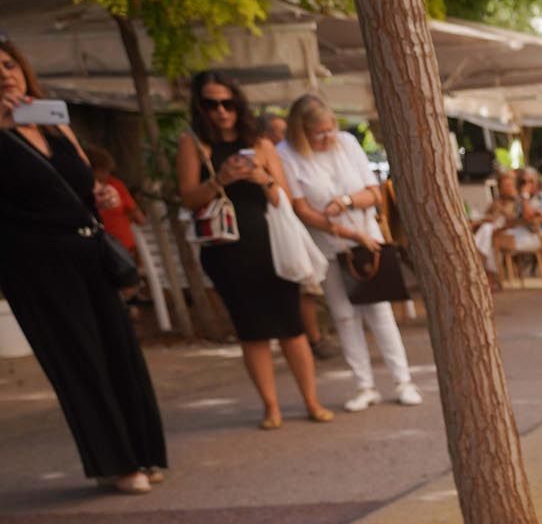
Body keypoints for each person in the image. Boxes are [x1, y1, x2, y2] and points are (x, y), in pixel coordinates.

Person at [0, 36, 167, 493]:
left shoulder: (51, 119)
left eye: (9, 64)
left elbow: (81, 181)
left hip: (87, 250)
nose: (4, 74)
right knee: (80, 358)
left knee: (120, 350)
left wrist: (102, 196)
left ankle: (145, 451)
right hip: (36, 265)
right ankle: (117, 463)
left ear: (23, 68)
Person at [177, 70, 329, 429]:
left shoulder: (260, 143)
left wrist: (263, 179)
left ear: (238, 103)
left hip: (271, 243)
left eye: (228, 103)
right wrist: (220, 179)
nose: (221, 111)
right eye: (211, 104)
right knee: (252, 331)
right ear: (200, 107)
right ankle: (271, 407)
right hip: (226, 248)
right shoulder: (194, 143)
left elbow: (284, 197)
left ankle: (311, 401)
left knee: (292, 326)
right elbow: (187, 198)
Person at [277, 95, 420, 412]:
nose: (328, 137)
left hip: (365, 241)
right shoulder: (287, 155)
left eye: (330, 129)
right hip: (327, 245)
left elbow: (373, 193)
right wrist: (342, 230)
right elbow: (300, 208)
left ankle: (403, 380)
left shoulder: (347, 143)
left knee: (379, 312)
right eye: (319, 132)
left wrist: (345, 202)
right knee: (344, 315)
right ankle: (364, 384)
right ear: (302, 132)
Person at [83, 145, 139, 257]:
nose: (107, 175)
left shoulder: (115, 184)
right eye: (104, 170)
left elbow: (138, 216)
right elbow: (137, 216)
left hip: (124, 248)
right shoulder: (84, 189)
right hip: (102, 250)